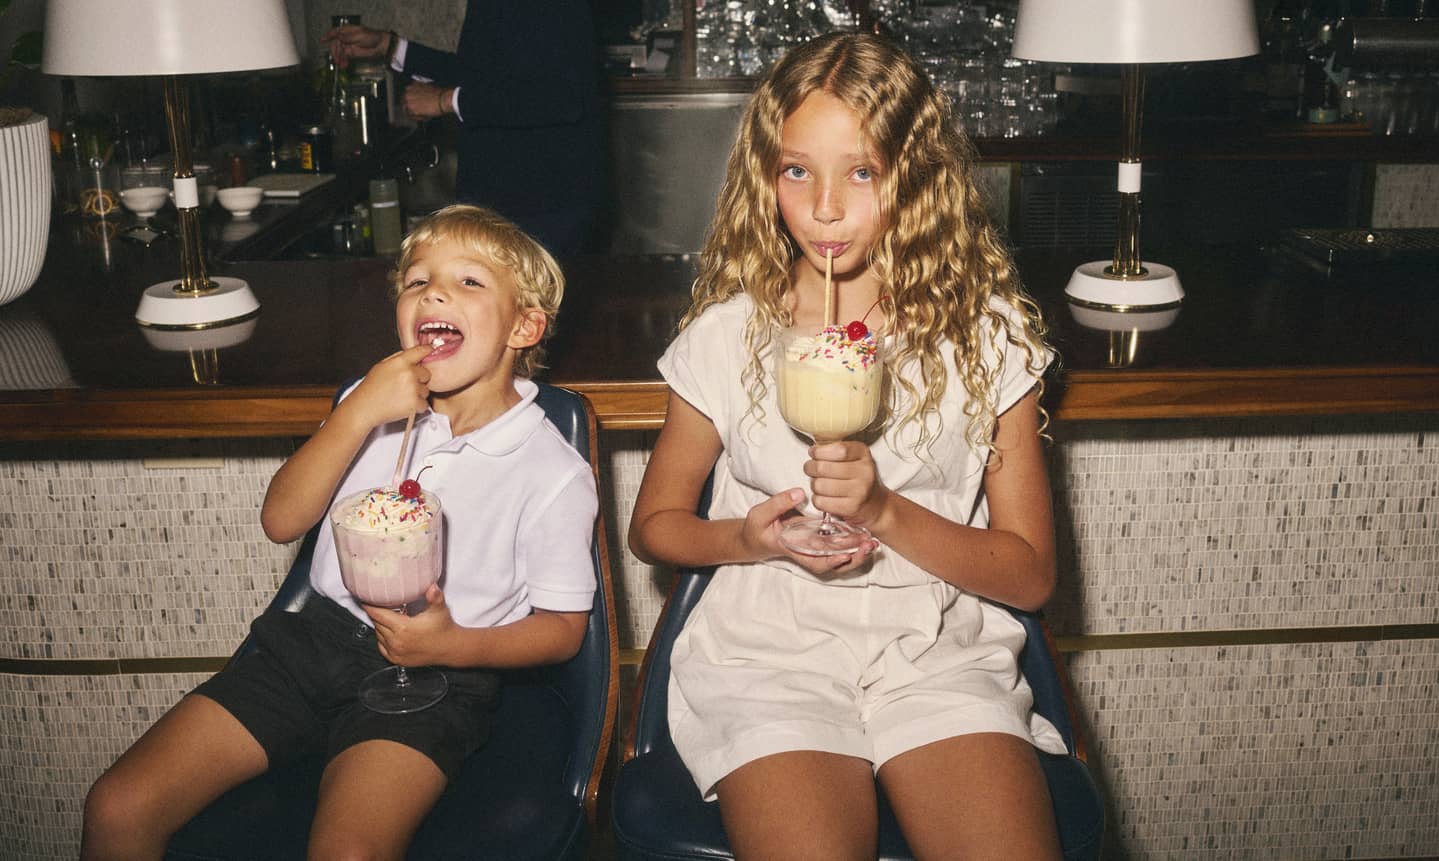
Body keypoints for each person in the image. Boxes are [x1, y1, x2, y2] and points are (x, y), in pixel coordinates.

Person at [627, 32, 1068, 860]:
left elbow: (1031, 573)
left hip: (932, 648)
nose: (825, 206)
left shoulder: (987, 340)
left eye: (860, 170)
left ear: (917, 175)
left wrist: (883, 509)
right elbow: (653, 525)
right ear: (767, 176)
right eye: (798, 170)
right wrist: (744, 537)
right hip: (771, 651)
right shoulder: (727, 339)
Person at [80, 204, 599, 859]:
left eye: (469, 281)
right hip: (310, 644)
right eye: (416, 281)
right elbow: (280, 520)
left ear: (524, 325)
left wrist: (451, 642)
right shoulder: (369, 404)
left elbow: (563, 630)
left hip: (436, 676)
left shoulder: (550, 468)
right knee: (118, 804)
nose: (433, 290)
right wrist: (356, 413)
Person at [321, 2, 603, 259]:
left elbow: (560, 98)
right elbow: (484, 75)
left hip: (541, 208)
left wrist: (446, 100)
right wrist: (390, 47)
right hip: (510, 205)